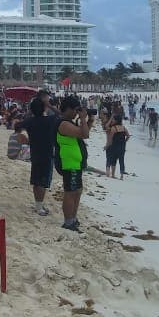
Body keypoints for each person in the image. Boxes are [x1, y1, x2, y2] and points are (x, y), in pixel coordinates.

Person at [56, 95, 92, 232]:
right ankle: (68, 221)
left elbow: (85, 132)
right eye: (76, 110)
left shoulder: (69, 122)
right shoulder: (64, 124)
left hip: (75, 163)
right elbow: (84, 134)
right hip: (69, 163)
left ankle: (73, 218)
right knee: (70, 192)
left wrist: (89, 120)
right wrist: (82, 118)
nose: (77, 112)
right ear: (69, 109)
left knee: (77, 191)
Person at [21, 97, 60, 216]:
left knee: (36, 180)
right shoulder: (50, 120)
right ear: (44, 108)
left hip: (35, 153)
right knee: (43, 182)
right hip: (47, 153)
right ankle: (39, 207)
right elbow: (60, 114)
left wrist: (31, 111)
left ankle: (38, 205)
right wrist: (49, 105)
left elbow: (21, 122)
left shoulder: (29, 121)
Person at [105, 114, 130, 179]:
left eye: (113, 119)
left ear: (116, 120)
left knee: (111, 159)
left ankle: (108, 173)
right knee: (121, 160)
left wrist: (107, 146)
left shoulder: (113, 128)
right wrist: (125, 141)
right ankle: (121, 175)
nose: (112, 120)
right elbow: (128, 136)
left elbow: (110, 139)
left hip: (114, 146)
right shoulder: (124, 128)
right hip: (122, 147)